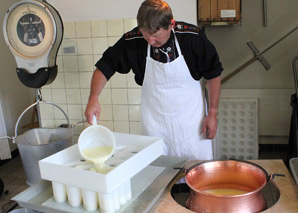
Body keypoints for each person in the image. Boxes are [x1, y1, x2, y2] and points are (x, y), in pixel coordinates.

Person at [84, 0, 223, 161]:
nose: (150, 41)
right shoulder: (133, 40)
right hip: (155, 127)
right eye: (145, 34)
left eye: (156, 36)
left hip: (192, 126)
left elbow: (213, 75)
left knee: (196, 174)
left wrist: (212, 113)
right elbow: (105, 66)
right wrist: (93, 97)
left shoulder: (192, 37)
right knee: (158, 174)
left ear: (171, 24)